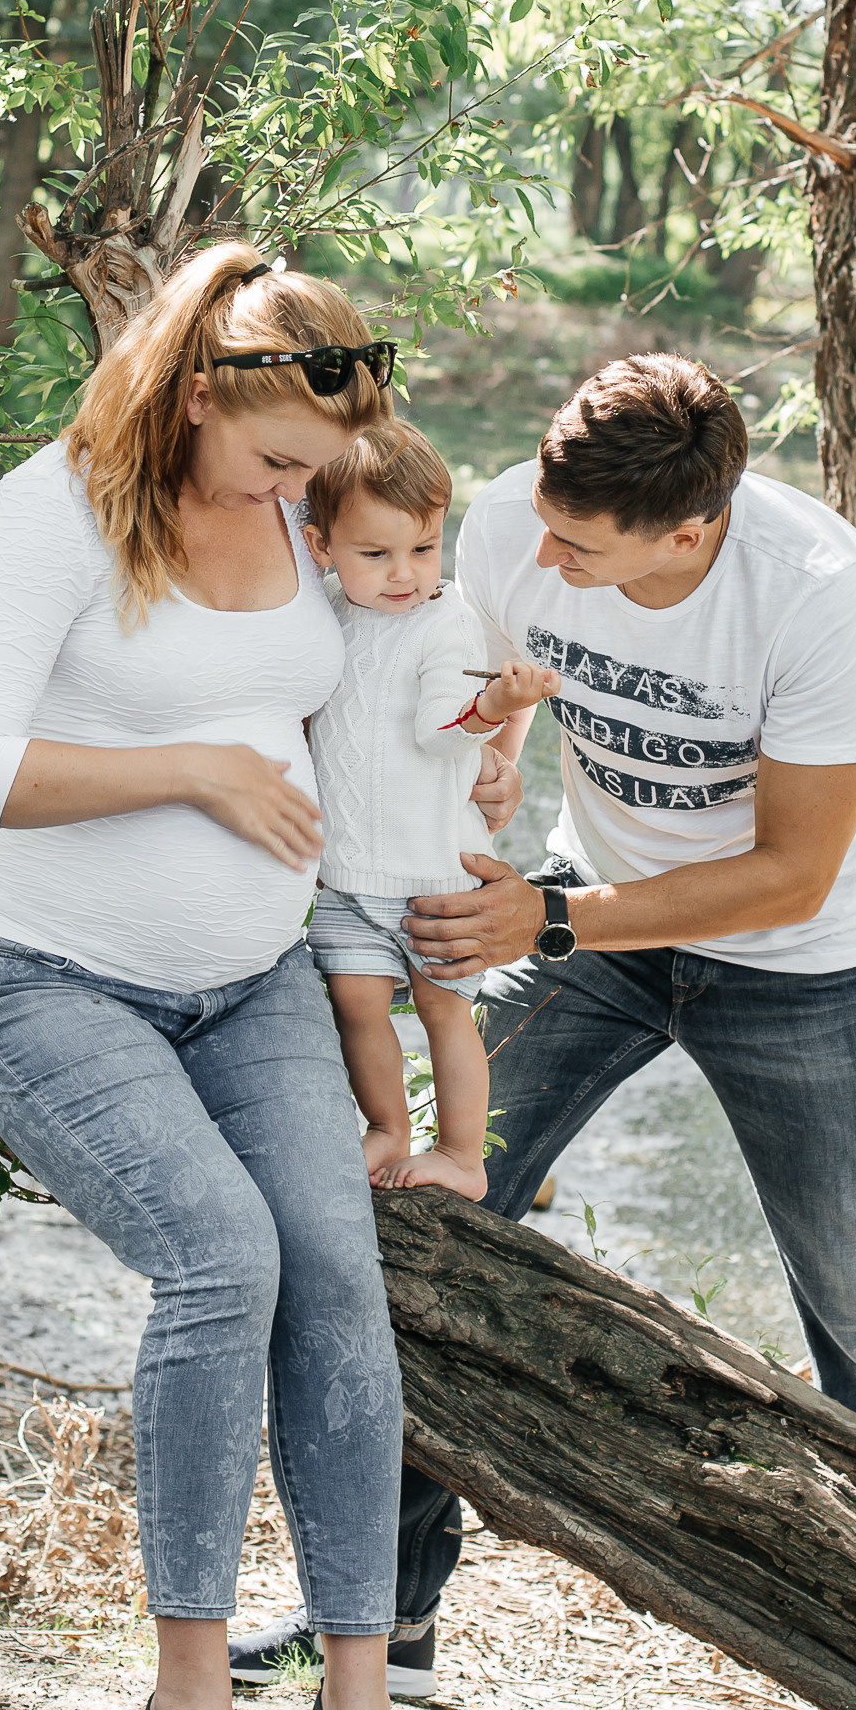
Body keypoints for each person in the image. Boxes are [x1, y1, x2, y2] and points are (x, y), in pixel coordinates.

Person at [230, 350, 856, 1704]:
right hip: (582, 920)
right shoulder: (516, 518)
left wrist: (547, 921)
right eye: (545, 530)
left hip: (790, 963)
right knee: (413, 1234)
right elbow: (465, 683)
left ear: (688, 531)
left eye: (581, 548)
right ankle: (381, 1619)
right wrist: (489, 770)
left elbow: (793, 873)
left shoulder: (821, 593)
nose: (543, 559)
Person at [0, 241, 450, 1710]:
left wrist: (469, 770)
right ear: (197, 394)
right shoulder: (59, 511)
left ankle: (357, 1706)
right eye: (279, 460)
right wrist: (196, 772)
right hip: (47, 979)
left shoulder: (303, 499)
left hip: (254, 982)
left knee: (337, 1279)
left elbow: (360, 677)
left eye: (317, 468)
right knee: (225, 1261)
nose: (302, 492)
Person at [300, 419, 493, 1200]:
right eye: (375, 554)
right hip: (346, 869)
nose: (404, 573)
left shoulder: (447, 620)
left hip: (435, 872)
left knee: (445, 1011)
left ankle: (462, 1154)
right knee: (356, 1003)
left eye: (423, 547)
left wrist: (488, 712)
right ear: (321, 547)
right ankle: (386, 1127)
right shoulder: (319, 611)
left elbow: (440, 732)